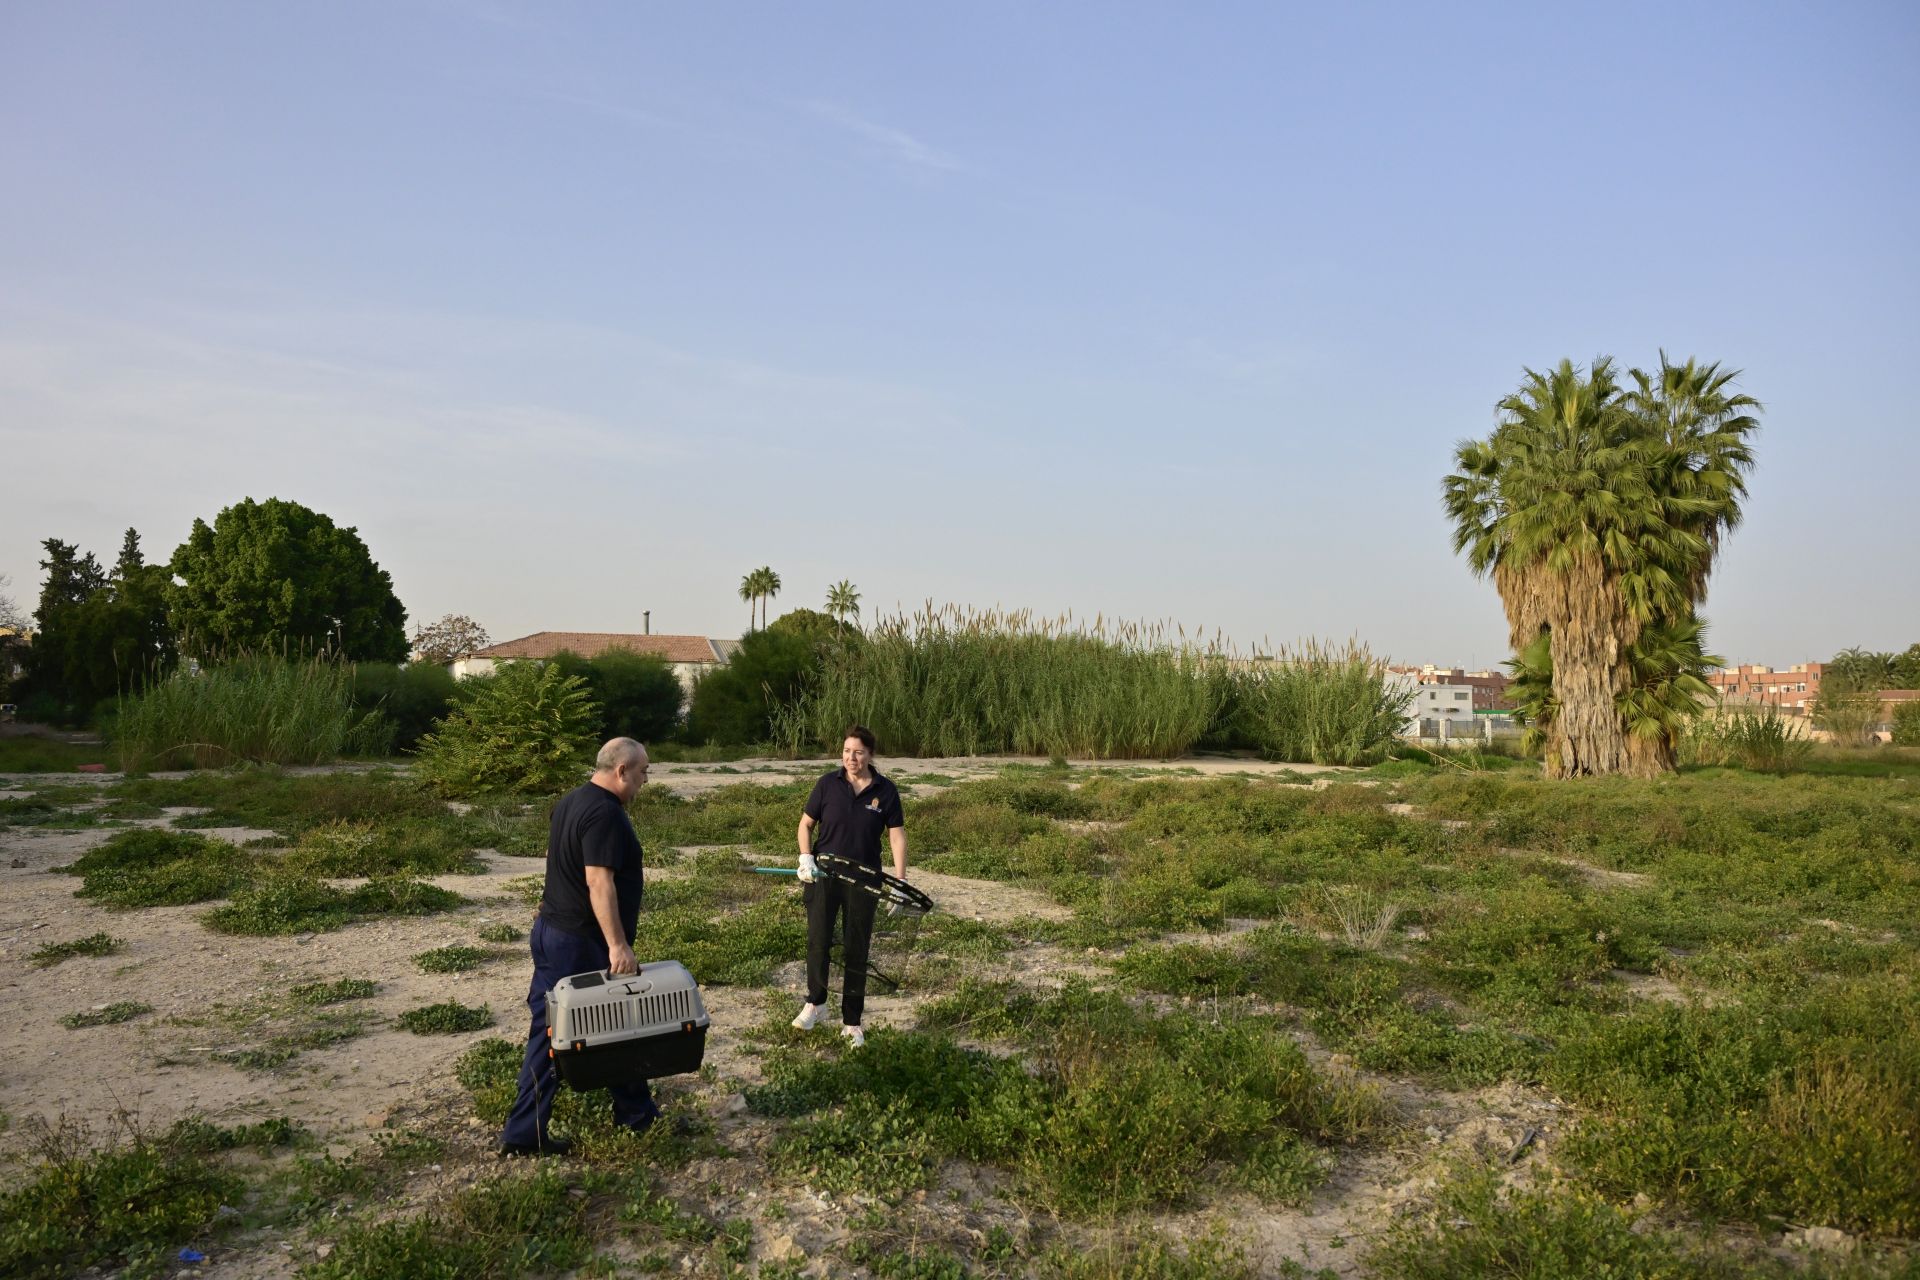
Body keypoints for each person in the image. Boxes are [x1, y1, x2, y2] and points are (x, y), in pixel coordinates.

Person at [497, 737, 661, 1156]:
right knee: (615, 1026)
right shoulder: (605, 814)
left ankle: (525, 1131)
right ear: (621, 770)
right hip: (579, 941)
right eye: (643, 771)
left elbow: (556, 857)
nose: (646, 779)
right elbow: (597, 881)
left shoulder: (570, 801)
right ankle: (637, 1116)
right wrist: (618, 945)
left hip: (552, 931)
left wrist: (549, 904)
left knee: (555, 1031)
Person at [792, 725, 907, 1048]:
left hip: (864, 880)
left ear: (870, 755)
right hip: (824, 876)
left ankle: (852, 1022)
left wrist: (900, 879)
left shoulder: (885, 791)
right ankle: (815, 1002)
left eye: (858, 752)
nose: (851, 758)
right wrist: (805, 858)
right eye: (846, 751)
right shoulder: (828, 784)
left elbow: (896, 836)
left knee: (857, 949)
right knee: (818, 940)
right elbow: (806, 824)